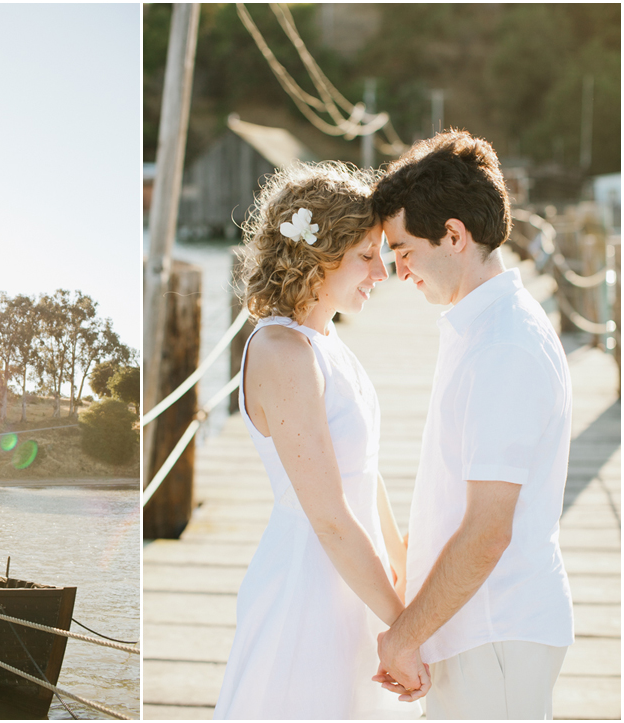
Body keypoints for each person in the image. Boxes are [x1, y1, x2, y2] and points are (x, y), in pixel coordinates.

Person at [371, 130, 574, 719]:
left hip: (497, 631)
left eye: (404, 250)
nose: (401, 272)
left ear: (453, 235)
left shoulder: (502, 347)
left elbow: (489, 530)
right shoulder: (482, 328)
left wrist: (405, 637)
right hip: (474, 627)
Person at [213, 161, 426, 719]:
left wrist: (401, 560)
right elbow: (328, 515)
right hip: (309, 585)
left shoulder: (323, 337)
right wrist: (402, 626)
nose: (382, 274)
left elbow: (363, 468)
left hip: (355, 572)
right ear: (316, 256)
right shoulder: (282, 352)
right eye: (365, 256)